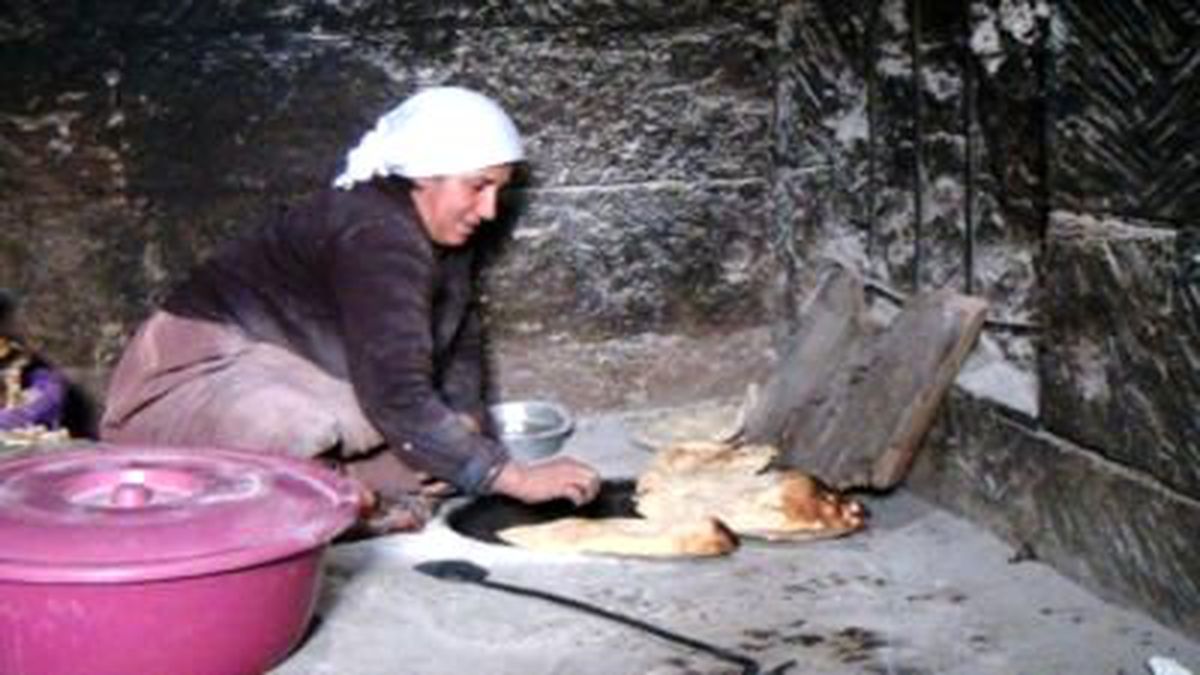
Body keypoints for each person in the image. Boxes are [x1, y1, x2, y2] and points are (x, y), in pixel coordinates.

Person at [100, 86, 602, 534]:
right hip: (189, 374)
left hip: (283, 365)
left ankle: (324, 487)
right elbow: (396, 393)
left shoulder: (441, 228)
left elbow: (460, 331)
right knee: (300, 428)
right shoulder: (376, 235)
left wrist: (468, 420)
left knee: (434, 460)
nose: (490, 209)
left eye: (500, 188)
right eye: (478, 186)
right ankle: (307, 492)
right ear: (423, 176)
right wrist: (511, 477)